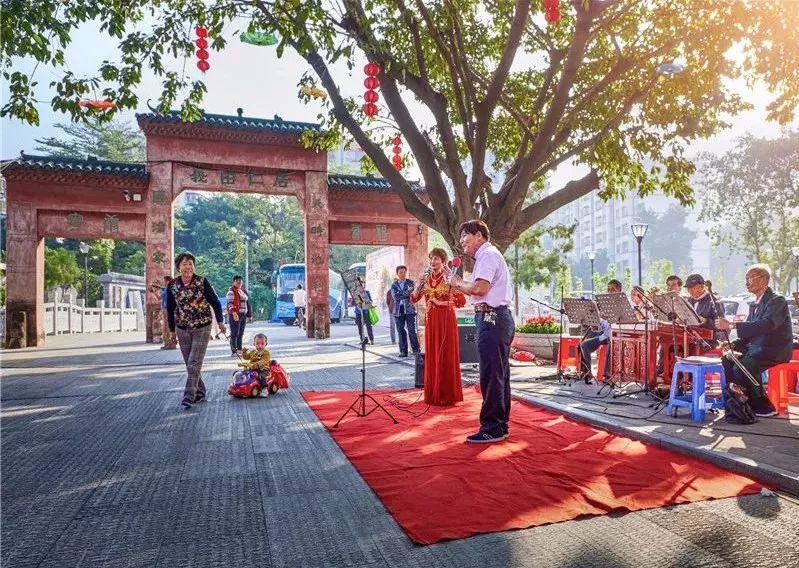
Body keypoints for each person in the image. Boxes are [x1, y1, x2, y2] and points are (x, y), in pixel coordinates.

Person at [450, 220, 514, 443]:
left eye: (464, 237)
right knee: (499, 374)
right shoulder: (489, 255)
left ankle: (492, 427)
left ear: (478, 235)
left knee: (491, 374)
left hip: (491, 318)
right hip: (497, 318)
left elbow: (479, 288)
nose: (461, 243)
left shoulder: (487, 255)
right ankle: (500, 424)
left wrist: (457, 283)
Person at [717, 264, 792, 417]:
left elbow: (768, 324)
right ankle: (738, 399)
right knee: (727, 359)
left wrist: (732, 324)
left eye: (750, 278)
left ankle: (762, 406)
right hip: (756, 348)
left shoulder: (777, 301)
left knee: (744, 366)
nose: (747, 282)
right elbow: (749, 333)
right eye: (746, 278)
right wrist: (733, 344)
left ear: (765, 279)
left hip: (773, 349)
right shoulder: (754, 304)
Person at [167, 252, 225, 409]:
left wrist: (220, 322)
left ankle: (188, 396)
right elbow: (171, 308)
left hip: (202, 326)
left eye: (190, 264)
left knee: (194, 362)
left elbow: (215, 302)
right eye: (184, 264)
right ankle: (200, 391)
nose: (188, 267)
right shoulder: (172, 285)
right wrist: (172, 331)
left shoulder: (202, 282)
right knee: (190, 364)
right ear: (178, 267)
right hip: (182, 328)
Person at [411, 248, 466, 405]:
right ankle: (434, 393)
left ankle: (447, 395)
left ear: (443, 261)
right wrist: (419, 284)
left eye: (437, 259)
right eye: (431, 259)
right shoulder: (426, 278)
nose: (433, 262)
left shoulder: (449, 278)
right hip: (431, 321)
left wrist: (438, 302)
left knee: (446, 354)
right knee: (433, 354)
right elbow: (414, 298)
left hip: (446, 319)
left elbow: (460, 301)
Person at [578, 280, 622, 385]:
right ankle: (587, 372)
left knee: (611, 342)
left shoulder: (621, 303)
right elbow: (599, 323)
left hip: (613, 334)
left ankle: (607, 375)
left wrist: (611, 319)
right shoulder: (603, 303)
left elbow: (621, 322)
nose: (610, 292)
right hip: (602, 333)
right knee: (584, 343)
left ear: (619, 291)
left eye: (613, 289)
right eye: (608, 289)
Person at [684, 273, 721, 349]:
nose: (689, 291)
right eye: (688, 288)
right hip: (689, 341)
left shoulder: (713, 301)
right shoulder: (689, 300)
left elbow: (722, 327)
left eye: (692, 288)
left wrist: (706, 321)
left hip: (707, 344)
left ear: (702, 287)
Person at [391, 265, 420, 357]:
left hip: (409, 310)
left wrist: (404, 294)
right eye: (400, 272)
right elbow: (395, 297)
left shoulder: (410, 282)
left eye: (404, 272)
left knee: (412, 330)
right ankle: (403, 351)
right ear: (397, 274)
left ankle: (416, 350)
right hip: (398, 310)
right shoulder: (394, 285)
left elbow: (411, 294)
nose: (402, 274)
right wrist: (406, 293)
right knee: (401, 331)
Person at [235, 333, 272, 397]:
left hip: (263, 369)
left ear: (266, 344)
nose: (260, 346)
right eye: (257, 344)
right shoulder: (253, 352)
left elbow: (264, 361)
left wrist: (256, 364)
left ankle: (264, 389)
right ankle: (239, 386)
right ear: (254, 344)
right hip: (253, 369)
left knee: (261, 376)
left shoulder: (266, 353)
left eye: (262, 343)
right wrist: (244, 352)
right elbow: (246, 357)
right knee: (241, 374)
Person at [226, 275, 252, 355]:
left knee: (240, 333)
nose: (239, 282)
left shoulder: (243, 291)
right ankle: (234, 350)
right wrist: (234, 313)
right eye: (237, 281)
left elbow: (248, 303)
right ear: (233, 282)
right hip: (235, 315)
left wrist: (249, 315)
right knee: (234, 333)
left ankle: (240, 349)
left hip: (243, 315)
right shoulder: (231, 292)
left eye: (240, 281)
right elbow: (230, 304)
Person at [151, 275, 177, 349]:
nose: (164, 282)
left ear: (168, 281)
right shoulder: (170, 288)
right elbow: (162, 288)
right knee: (167, 327)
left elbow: (159, 298)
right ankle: (168, 344)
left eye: (165, 281)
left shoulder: (167, 290)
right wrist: (157, 287)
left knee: (167, 328)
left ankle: (170, 344)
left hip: (167, 309)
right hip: (168, 309)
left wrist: (153, 291)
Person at [353, 277, 374, 345]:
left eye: (361, 283)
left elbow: (370, 301)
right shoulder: (355, 293)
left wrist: (367, 302)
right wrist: (358, 302)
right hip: (358, 312)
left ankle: (371, 339)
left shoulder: (366, 292)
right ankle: (362, 339)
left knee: (368, 325)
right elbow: (353, 303)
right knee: (360, 326)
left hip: (366, 311)